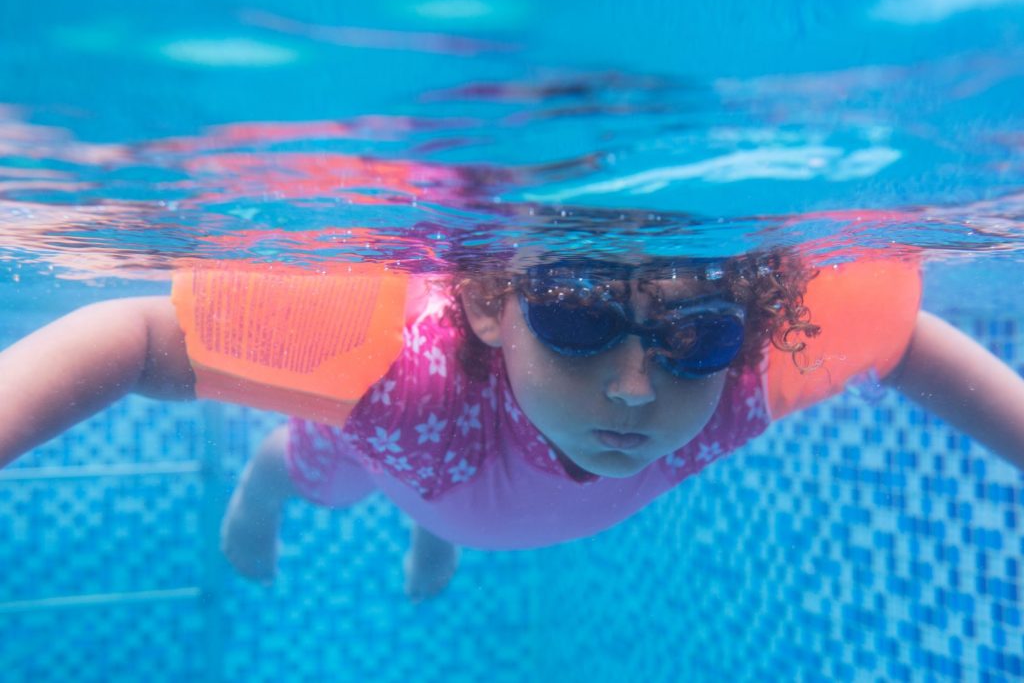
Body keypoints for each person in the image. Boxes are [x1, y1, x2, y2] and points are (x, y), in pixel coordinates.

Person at [2, 245, 1023, 602]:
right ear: (492, 302)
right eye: (578, 316)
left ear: (736, 335)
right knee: (313, 465)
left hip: (465, 473)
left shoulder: (719, 392)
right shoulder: (405, 391)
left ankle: (438, 521)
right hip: (412, 449)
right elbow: (137, 335)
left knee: (449, 488)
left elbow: (896, 338)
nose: (636, 387)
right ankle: (265, 495)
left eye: (696, 336)